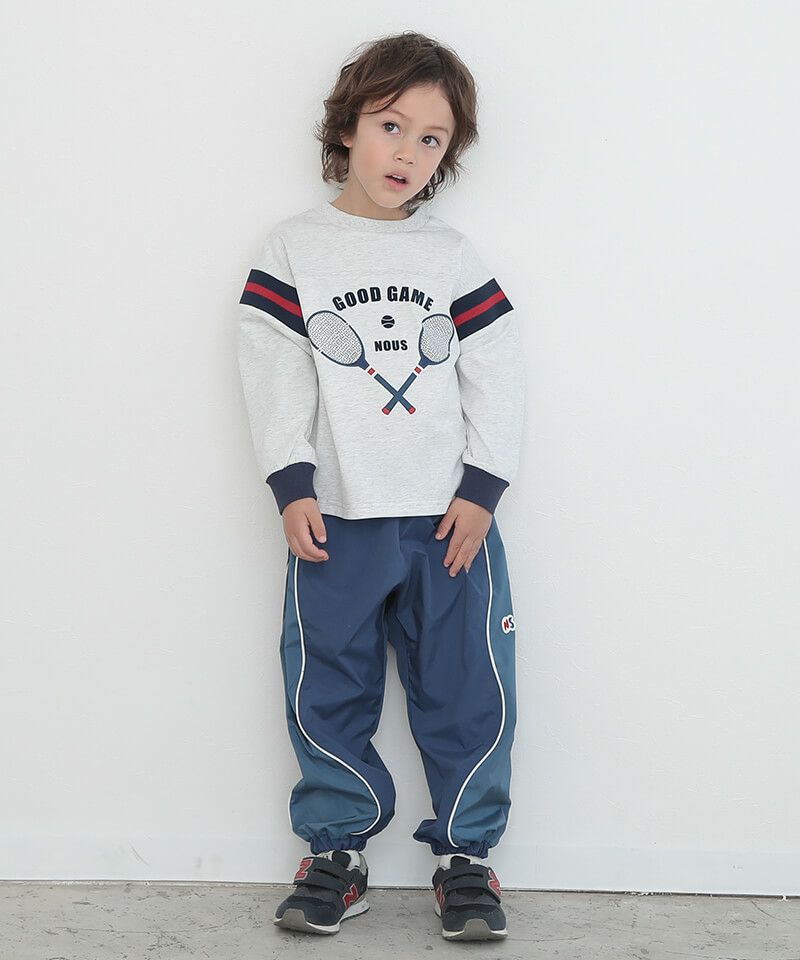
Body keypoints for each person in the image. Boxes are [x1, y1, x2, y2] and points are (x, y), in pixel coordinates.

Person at [236, 30, 525, 942]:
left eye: (431, 138)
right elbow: (273, 373)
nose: (407, 152)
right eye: (390, 125)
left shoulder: (452, 257)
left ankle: (466, 858)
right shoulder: (294, 250)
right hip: (338, 519)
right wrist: (291, 481)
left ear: (448, 154)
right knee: (327, 685)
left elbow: (497, 372)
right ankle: (338, 852)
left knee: (468, 688)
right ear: (348, 127)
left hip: (450, 522)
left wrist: (483, 487)